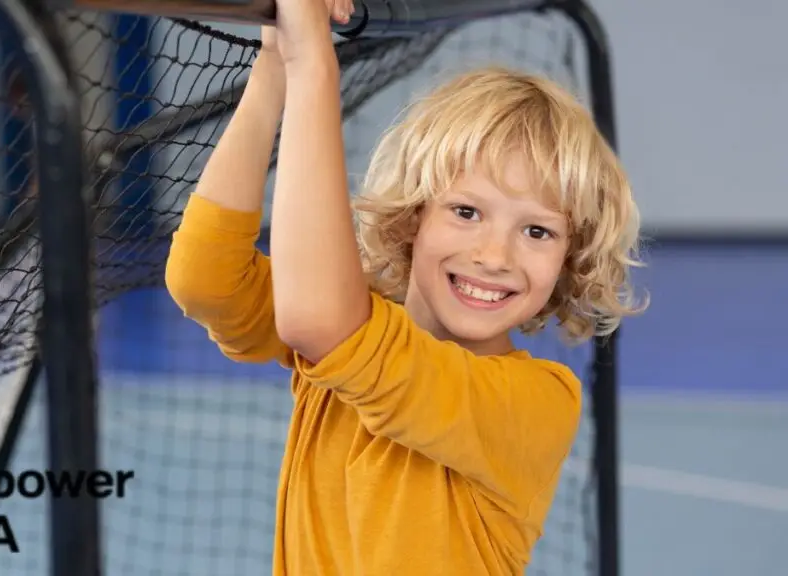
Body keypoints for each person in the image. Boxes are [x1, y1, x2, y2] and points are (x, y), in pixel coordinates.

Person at [164, 0, 647, 573]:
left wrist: (314, 62)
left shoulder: (539, 401)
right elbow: (207, 280)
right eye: (466, 212)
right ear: (412, 216)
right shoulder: (349, 330)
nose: (494, 256)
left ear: (570, 260)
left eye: (537, 231)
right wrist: (275, 66)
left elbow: (324, 325)